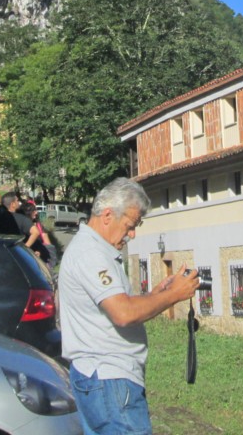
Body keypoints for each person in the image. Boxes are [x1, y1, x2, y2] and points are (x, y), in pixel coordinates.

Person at [60, 177, 199, 435]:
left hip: (102, 379)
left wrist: (157, 294)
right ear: (107, 215)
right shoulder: (92, 254)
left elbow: (120, 306)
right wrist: (174, 295)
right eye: (130, 225)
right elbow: (123, 313)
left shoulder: (94, 250)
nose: (132, 234)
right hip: (110, 379)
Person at [20, 201, 55, 266]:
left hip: (40, 261)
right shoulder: (20, 226)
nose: (36, 212)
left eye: (36, 210)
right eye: (34, 210)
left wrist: (40, 252)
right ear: (27, 212)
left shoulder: (39, 225)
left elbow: (48, 245)